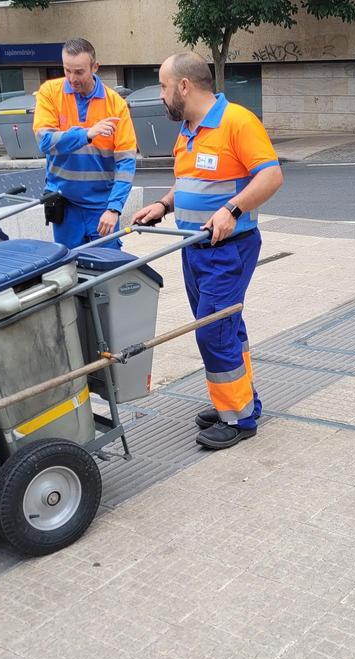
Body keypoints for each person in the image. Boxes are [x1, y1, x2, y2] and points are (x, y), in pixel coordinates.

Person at [131, 53, 284, 449]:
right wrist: (163, 205)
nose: (160, 95)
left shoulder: (237, 121)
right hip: (195, 249)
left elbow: (271, 175)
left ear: (184, 86)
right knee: (226, 328)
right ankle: (238, 402)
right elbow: (188, 181)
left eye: (163, 86)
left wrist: (232, 210)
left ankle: (239, 419)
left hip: (228, 249)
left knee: (213, 331)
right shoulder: (188, 129)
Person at [32, 38, 137, 250]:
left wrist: (114, 208)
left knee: (107, 266)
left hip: (101, 208)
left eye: (79, 72)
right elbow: (44, 141)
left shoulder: (115, 104)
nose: (72, 78)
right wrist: (86, 134)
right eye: (67, 70)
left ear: (95, 67)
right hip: (64, 206)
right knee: (68, 267)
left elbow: (126, 162)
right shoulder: (50, 92)